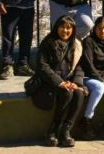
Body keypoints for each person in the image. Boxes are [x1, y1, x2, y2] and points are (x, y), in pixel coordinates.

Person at [36, 16, 85, 147]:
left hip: (68, 80)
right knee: (67, 93)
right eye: (62, 27)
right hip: (49, 81)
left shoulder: (76, 44)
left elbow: (80, 66)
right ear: (56, 27)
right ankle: (53, 129)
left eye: (69, 28)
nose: (65, 30)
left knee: (79, 93)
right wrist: (60, 82)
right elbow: (42, 66)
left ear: (73, 30)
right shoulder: (48, 42)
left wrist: (77, 83)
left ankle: (66, 130)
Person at [79, 16, 104, 140]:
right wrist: (99, 77)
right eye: (100, 28)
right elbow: (88, 63)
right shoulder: (89, 41)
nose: (103, 32)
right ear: (94, 29)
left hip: (102, 78)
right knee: (99, 86)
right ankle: (86, 121)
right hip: (87, 78)